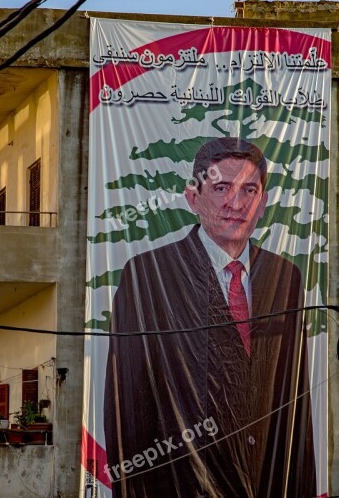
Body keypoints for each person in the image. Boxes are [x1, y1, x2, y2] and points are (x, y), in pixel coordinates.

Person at [104, 137, 316, 497]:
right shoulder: (149, 276)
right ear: (193, 198)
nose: (236, 203)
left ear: (263, 203)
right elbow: (128, 407)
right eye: (221, 188)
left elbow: (295, 405)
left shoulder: (285, 279)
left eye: (249, 190)